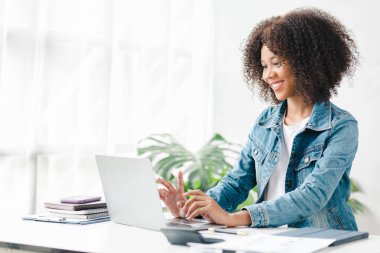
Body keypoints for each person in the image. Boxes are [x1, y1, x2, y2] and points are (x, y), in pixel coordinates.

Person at [156, 7, 359, 230]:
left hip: (324, 241)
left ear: (307, 63)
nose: (267, 75)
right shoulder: (266, 122)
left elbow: (313, 195)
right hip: (270, 239)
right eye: (263, 66)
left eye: (276, 63)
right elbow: (237, 182)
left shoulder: (340, 127)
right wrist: (194, 209)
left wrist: (236, 218)